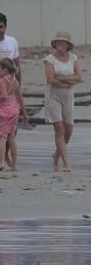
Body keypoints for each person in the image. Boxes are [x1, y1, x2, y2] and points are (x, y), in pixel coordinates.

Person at [44, 31, 82, 172]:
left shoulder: (74, 57)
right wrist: (68, 81)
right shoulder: (49, 59)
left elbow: (79, 76)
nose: (60, 44)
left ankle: (56, 156)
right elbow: (51, 79)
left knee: (69, 131)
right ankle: (66, 163)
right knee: (59, 130)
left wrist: (63, 78)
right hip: (53, 96)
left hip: (68, 97)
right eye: (58, 42)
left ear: (67, 45)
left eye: (62, 42)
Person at [0, 57, 24, 172]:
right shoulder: (15, 81)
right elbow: (19, 96)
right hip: (14, 109)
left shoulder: (1, 80)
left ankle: (1, 162)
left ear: (5, 70)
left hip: (3, 110)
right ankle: (14, 166)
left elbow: (4, 95)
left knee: (2, 137)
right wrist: (24, 111)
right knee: (12, 138)